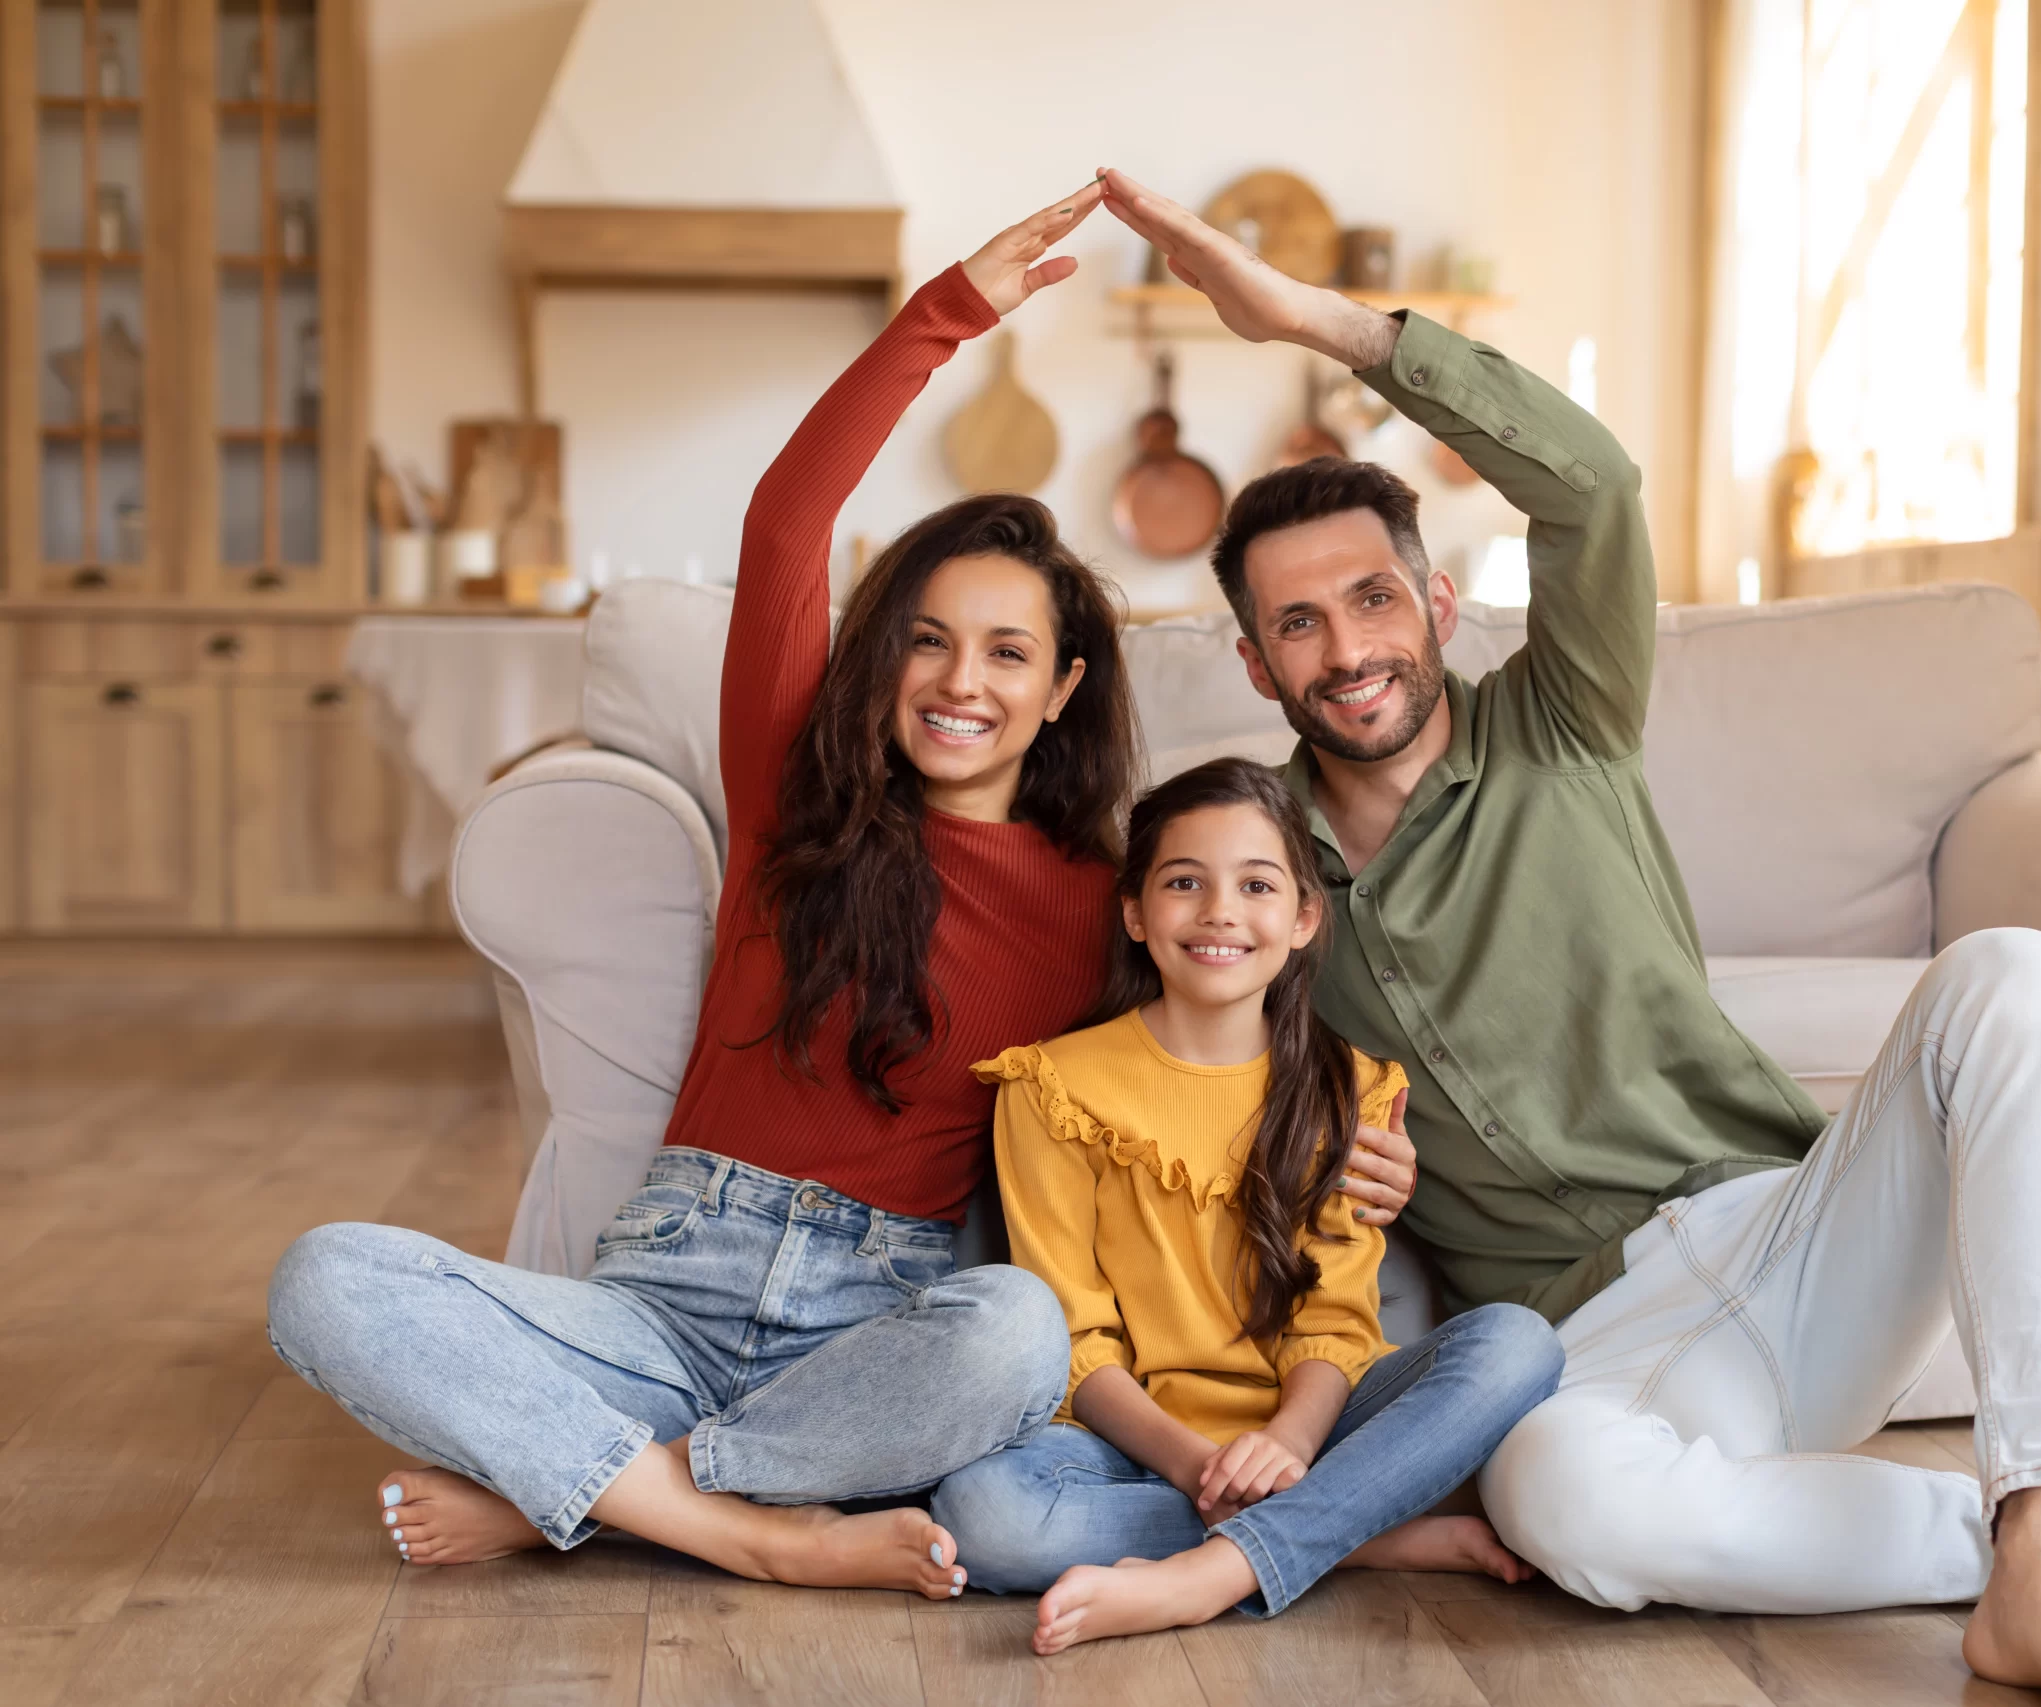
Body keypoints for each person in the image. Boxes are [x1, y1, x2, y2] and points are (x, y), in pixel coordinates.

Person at [1094, 167, 2041, 1707]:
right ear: (1250, 656)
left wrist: (1325, 327)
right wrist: (1314, 1156)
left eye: (1373, 599)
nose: (1348, 648)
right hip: (1595, 1341)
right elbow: (1189, 1088)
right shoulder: (1251, 881)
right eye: (1298, 624)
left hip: (1796, 1230)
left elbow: (1595, 490)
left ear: (1436, 601)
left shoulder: (1562, 720)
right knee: (1568, 1506)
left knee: (2018, 975)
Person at [263, 185, 1415, 1597]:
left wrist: (1359, 1149)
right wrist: (943, 315)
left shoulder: (1104, 904)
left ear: (1061, 690)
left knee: (1016, 1328)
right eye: (928, 640)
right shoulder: (795, 801)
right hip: (669, 1282)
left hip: (884, 1317)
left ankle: (598, 1488)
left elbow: (1220, 1048)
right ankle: (735, 1520)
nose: (957, 681)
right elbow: (786, 518)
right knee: (326, 1273)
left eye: (1005, 653)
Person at [931, 759, 1562, 1654]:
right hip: (1134, 1441)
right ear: (1136, 913)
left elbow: (1336, 1324)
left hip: (1318, 1419)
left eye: (1256, 884)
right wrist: (1200, 1464)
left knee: (1519, 1343)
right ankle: (1352, 1535)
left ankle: (1216, 1570)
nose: (1220, 910)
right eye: (1184, 882)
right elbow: (1076, 1339)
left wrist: (1288, 1448)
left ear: (1303, 918)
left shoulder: (1356, 1090)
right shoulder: (1051, 1084)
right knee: (985, 1514)